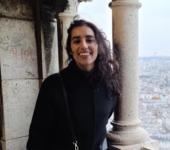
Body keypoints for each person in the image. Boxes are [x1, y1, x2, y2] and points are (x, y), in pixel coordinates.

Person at [27, 19, 120, 150]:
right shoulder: (53, 85)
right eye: (76, 41)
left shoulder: (109, 83)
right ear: (70, 49)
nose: (83, 45)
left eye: (89, 39)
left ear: (98, 45)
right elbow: (37, 138)